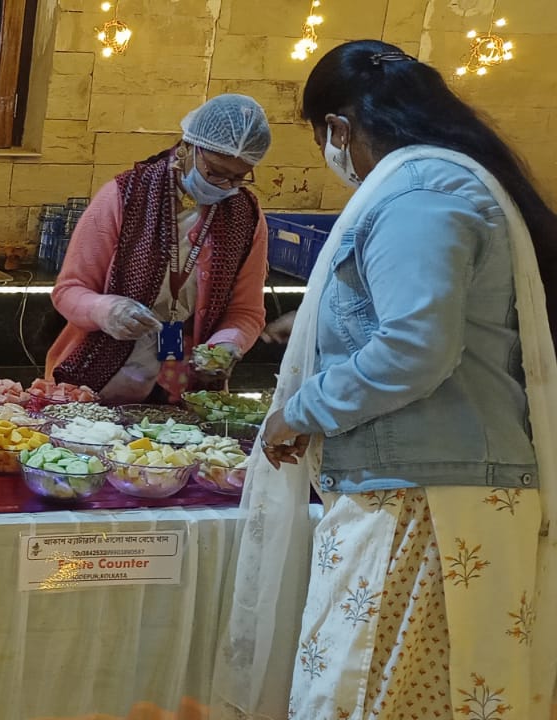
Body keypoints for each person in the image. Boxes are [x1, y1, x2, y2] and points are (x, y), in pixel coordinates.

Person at [231, 40, 557, 719]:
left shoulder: (421, 193)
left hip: (428, 498)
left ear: (339, 129)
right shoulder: (444, 184)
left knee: (372, 693)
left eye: (322, 136)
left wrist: (299, 410)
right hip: (431, 482)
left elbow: (415, 348)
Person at [48, 94, 272, 404]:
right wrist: (107, 311)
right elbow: (68, 291)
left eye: (238, 178)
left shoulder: (244, 215)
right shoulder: (125, 195)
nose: (225, 186)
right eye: (216, 172)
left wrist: (226, 345)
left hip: (184, 383)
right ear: (188, 147)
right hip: (99, 373)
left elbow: (246, 312)